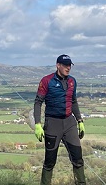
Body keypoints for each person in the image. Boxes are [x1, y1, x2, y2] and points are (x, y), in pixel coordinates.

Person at [33, 54, 86, 185]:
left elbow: (73, 101)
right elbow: (38, 102)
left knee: (78, 158)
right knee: (50, 161)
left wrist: (80, 120)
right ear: (58, 65)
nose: (68, 68)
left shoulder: (72, 81)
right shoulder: (46, 81)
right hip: (53, 124)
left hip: (69, 123)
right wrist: (38, 124)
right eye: (65, 65)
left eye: (70, 65)